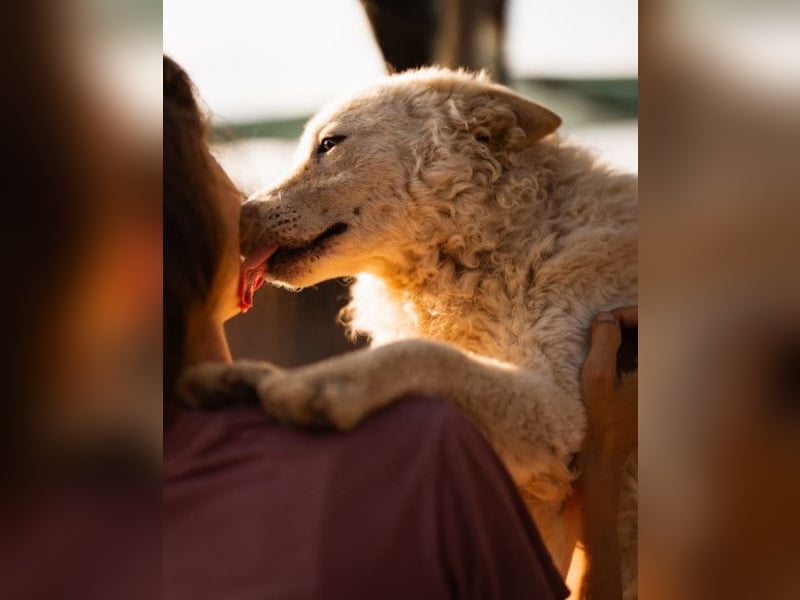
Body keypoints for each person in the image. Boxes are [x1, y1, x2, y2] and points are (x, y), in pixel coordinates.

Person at [163, 55, 637, 599]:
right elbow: (567, 449)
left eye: (329, 147)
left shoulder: (598, 257)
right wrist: (603, 471)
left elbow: (549, 444)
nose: (257, 204)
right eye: (208, 159)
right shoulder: (416, 441)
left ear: (474, 132)